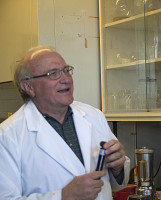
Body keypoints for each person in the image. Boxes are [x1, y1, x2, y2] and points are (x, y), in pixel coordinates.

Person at [0, 46, 130, 200]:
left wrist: (118, 167)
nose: (66, 79)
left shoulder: (93, 115)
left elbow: (117, 183)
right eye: (53, 74)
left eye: (67, 70)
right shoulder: (8, 135)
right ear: (28, 87)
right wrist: (64, 196)